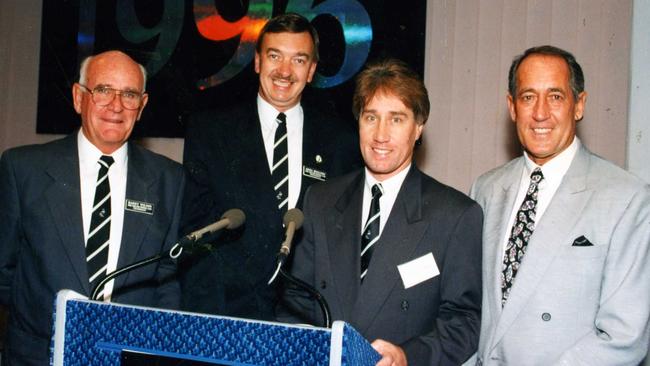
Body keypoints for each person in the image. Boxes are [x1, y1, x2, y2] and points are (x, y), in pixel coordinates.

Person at [279, 59, 483, 366]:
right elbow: (295, 301)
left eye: (397, 119)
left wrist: (407, 356)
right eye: (371, 117)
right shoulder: (320, 201)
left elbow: (463, 322)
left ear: (419, 128)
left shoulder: (455, 215)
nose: (381, 135)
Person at [0, 50, 185, 365]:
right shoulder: (23, 169)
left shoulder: (169, 179)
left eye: (129, 94)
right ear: (78, 97)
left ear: (142, 106)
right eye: (103, 90)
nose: (116, 105)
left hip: (127, 355)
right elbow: (4, 271)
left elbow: (166, 278)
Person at [470, 45, 650, 365]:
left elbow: (624, 337)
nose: (540, 113)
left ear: (578, 105)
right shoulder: (485, 189)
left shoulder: (627, 198)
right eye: (528, 97)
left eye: (555, 96)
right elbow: (474, 312)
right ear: (512, 107)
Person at [179, 13, 361, 320]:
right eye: (275, 56)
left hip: (308, 319)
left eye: (299, 60)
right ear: (257, 62)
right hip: (227, 318)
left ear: (312, 70)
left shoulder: (342, 142)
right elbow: (196, 236)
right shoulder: (210, 132)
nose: (285, 72)